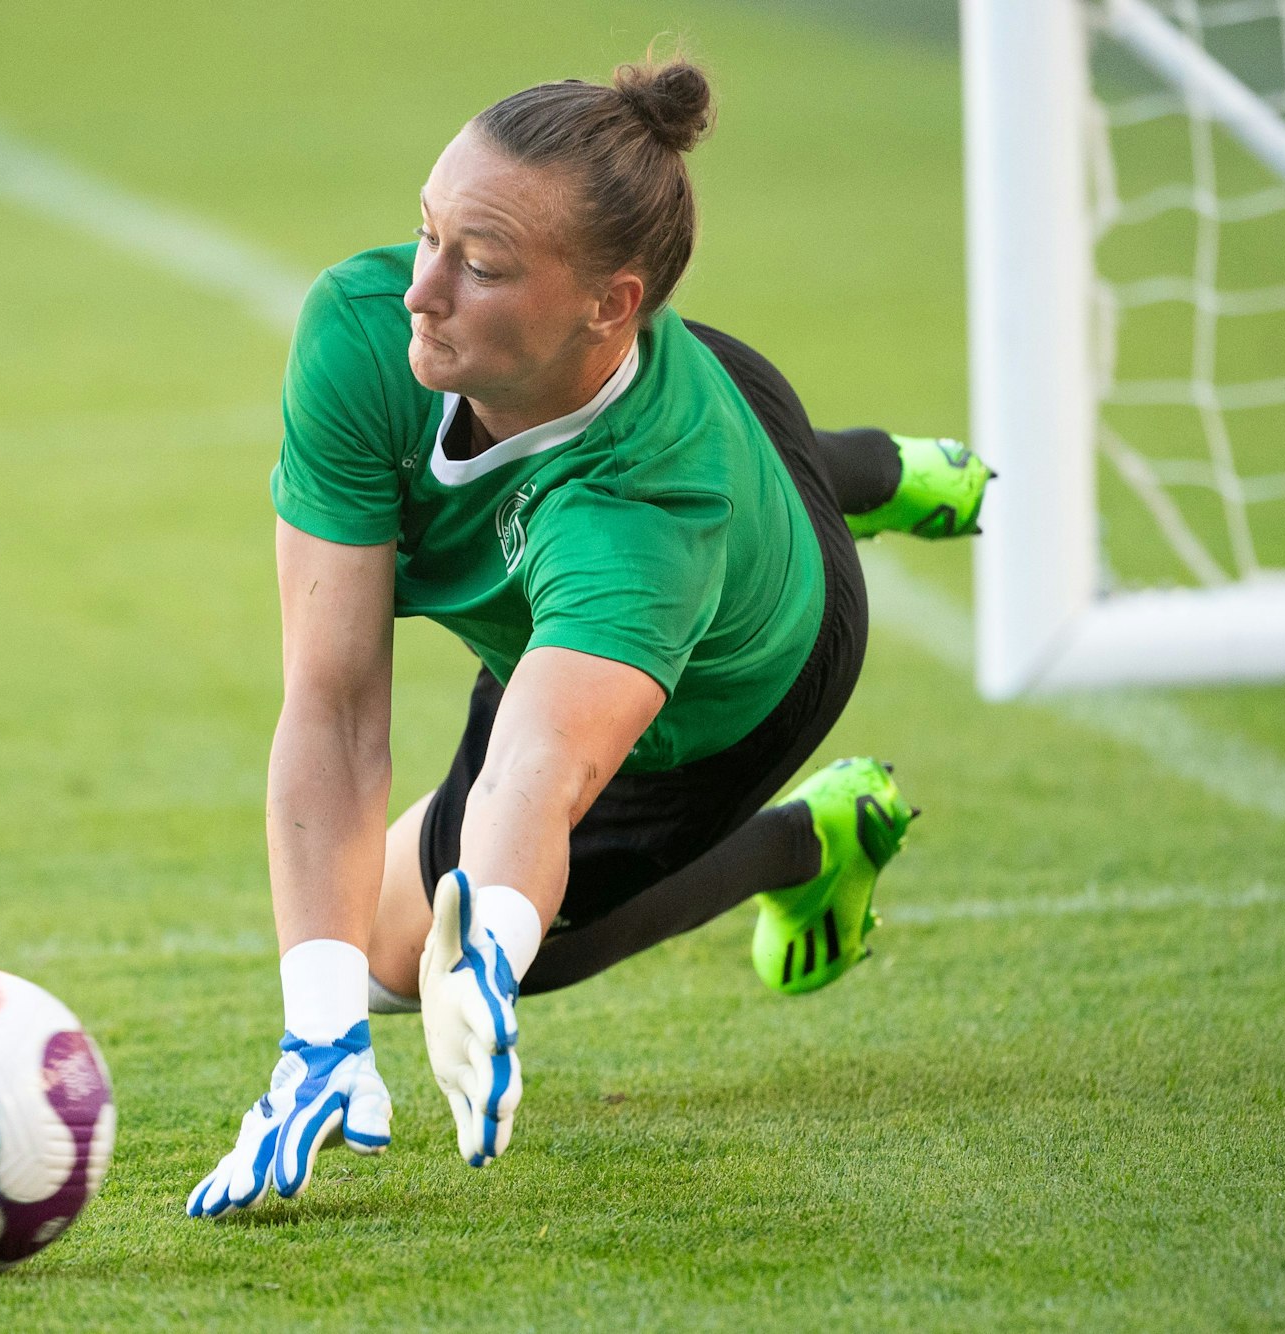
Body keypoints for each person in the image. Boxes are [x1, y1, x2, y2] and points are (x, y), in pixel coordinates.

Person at [186, 54, 990, 1218]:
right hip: (723, 395)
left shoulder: (648, 518)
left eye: (481, 265)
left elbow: (540, 769)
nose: (422, 288)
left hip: (742, 678)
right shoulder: (362, 333)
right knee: (356, 958)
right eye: (427, 232)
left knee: (418, 955)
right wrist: (316, 1034)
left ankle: (813, 838)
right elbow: (336, 699)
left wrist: (494, 951)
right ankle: (881, 470)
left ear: (610, 302)